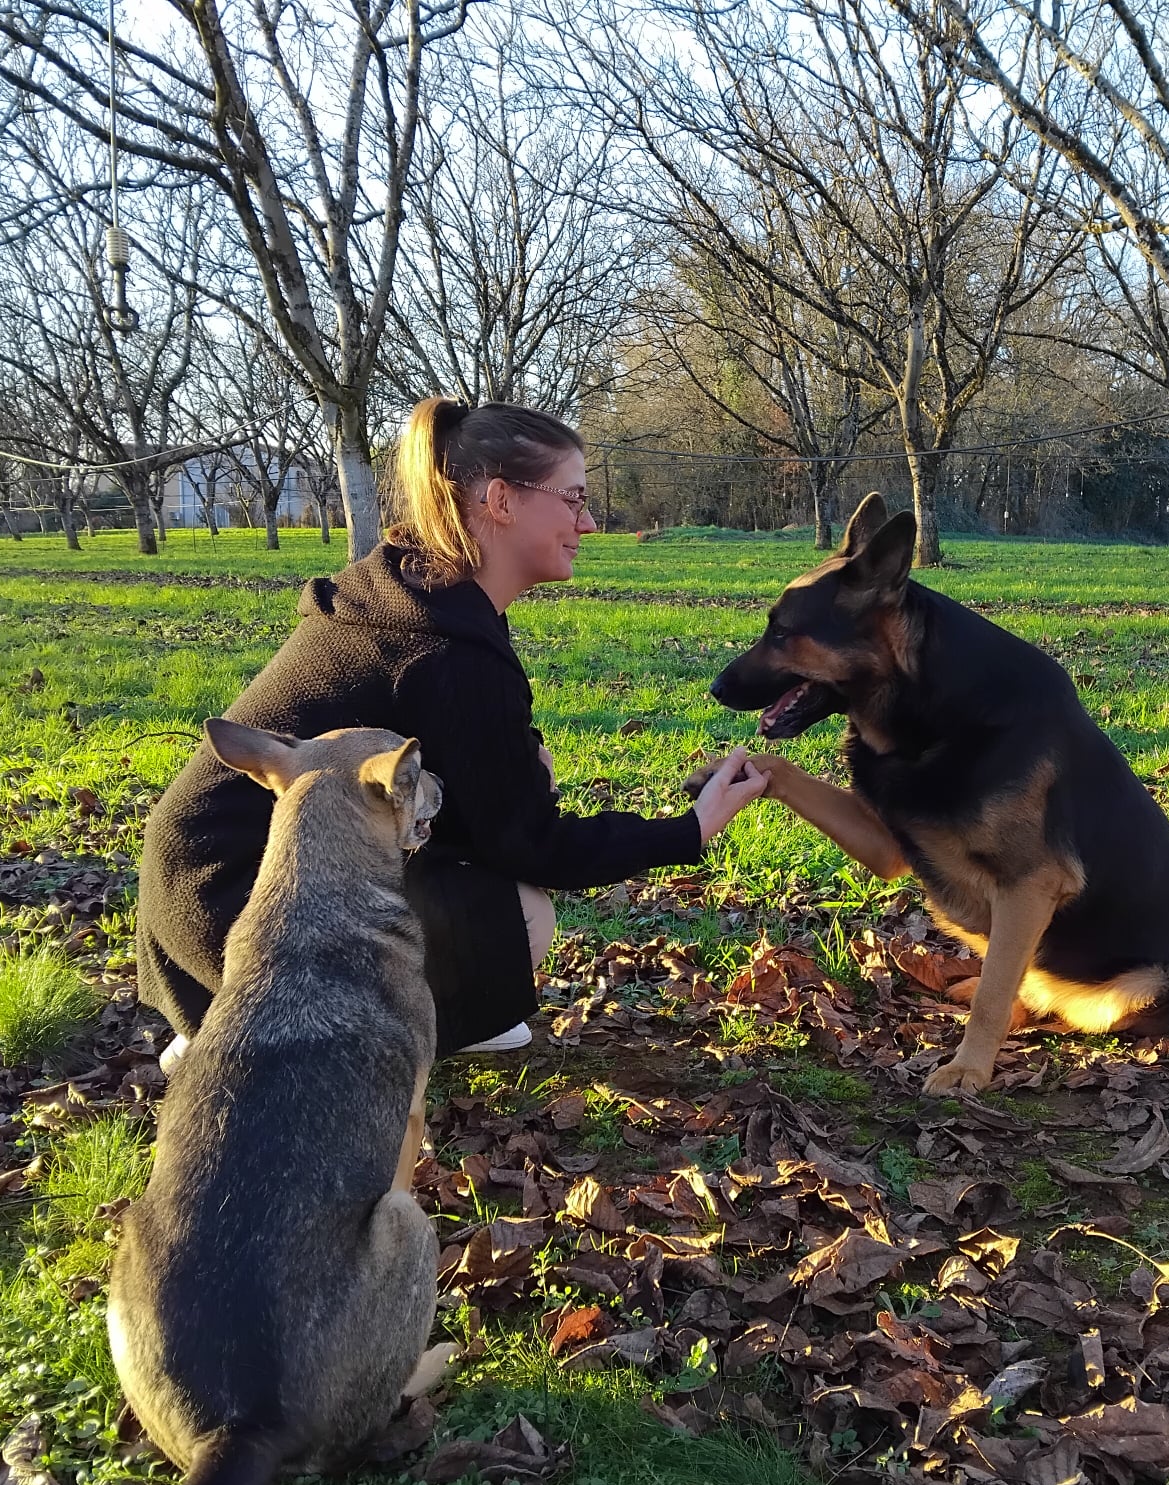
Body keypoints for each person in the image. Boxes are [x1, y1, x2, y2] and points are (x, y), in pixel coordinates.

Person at [135, 400, 768, 1065]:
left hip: (196, 888)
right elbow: (531, 845)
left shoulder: (410, 588)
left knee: (494, 855)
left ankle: (251, 1020)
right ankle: (264, 1038)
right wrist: (690, 828)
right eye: (574, 498)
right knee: (524, 912)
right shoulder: (446, 652)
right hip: (240, 922)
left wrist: (521, 766)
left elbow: (440, 764)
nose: (588, 521)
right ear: (501, 499)